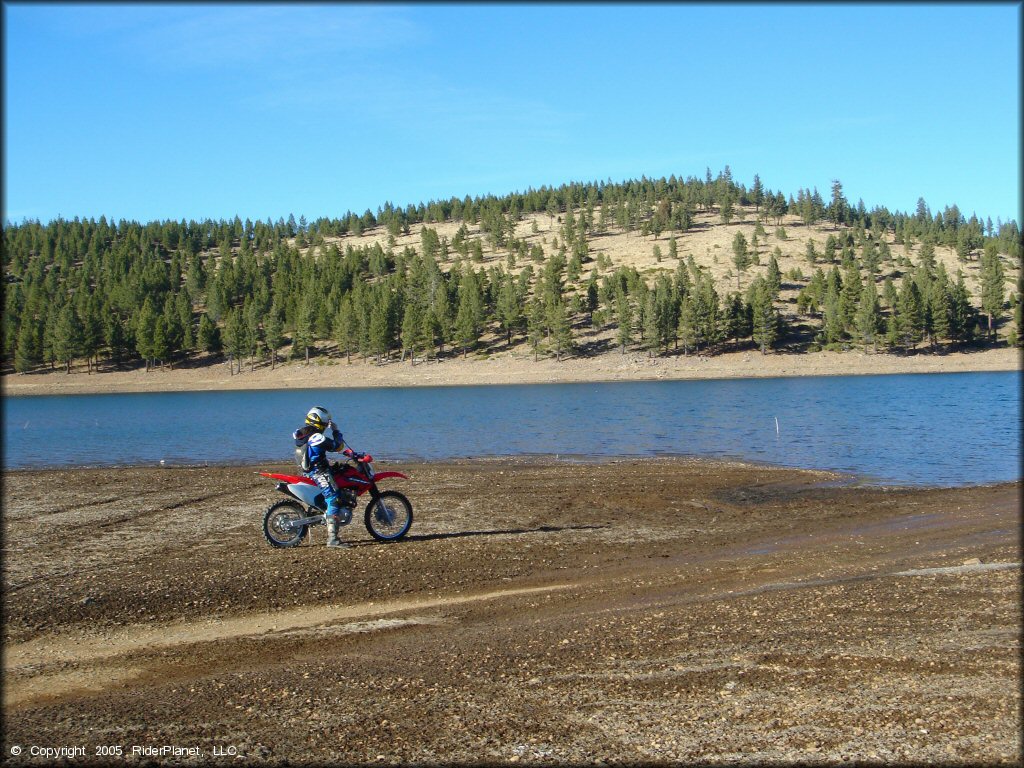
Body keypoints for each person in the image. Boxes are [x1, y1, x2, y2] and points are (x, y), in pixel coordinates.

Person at [293, 405, 350, 549]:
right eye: (325, 423)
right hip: (319, 472)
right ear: (320, 422)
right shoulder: (316, 437)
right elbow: (338, 446)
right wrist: (336, 431)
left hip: (310, 470)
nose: (326, 425)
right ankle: (333, 539)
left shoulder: (302, 434)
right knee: (334, 498)